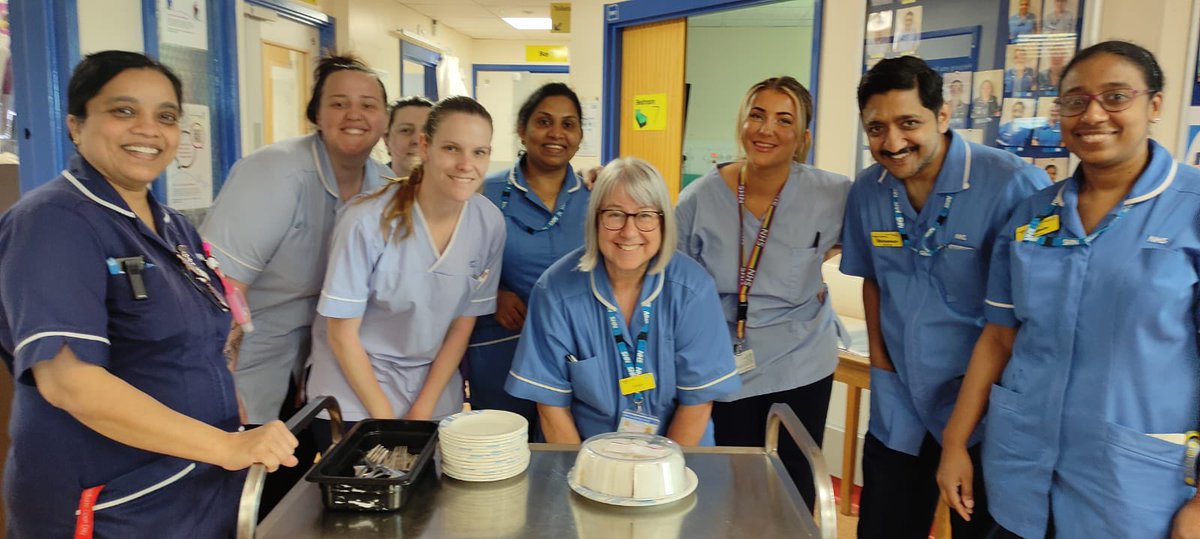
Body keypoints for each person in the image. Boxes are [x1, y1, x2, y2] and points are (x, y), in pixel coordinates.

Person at [0, 50, 298, 537]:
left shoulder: (173, 226)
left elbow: (199, 345)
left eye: (166, 117)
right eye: (123, 111)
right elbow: (69, 382)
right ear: (75, 124)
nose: (148, 130)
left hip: (192, 485)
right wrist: (227, 448)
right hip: (112, 503)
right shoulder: (53, 223)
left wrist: (235, 425)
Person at [936, 40, 1200, 539]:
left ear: (1156, 104)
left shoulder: (1191, 208)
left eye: (1116, 97)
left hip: (1135, 488)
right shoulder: (1034, 214)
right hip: (1022, 470)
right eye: (1076, 101)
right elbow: (997, 337)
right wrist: (954, 443)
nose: (1093, 114)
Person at [841, 56, 1049, 539]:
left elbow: (1029, 317)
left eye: (908, 122)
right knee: (883, 526)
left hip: (985, 410)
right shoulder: (868, 192)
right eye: (876, 128)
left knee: (979, 527)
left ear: (943, 115)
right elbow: (873, 280)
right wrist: (881, 366)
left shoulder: (1013, 186)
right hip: (901, 401)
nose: (892, 143)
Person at [675, 76, 850, 505]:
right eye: (757, 115)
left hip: (800, 361)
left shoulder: (834, 194)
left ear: (802, 138)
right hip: (721, 361)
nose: (766, 129)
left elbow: (868, 237)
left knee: (793, 489)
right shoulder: (697, 199)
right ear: (741, 123)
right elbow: (672, 285)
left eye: (783, 120)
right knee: (733, 488)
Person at [201, 55, 390, 426]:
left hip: (327, 368)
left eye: (368, 105)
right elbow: (222, 288)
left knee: (300, 475)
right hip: (256, 363)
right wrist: (223, 384)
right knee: (253, 478)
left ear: (384, 120)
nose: (355, 114)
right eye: (338, 104)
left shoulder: (383, 186)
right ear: (316, 115)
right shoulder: (274, 172)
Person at [305, 96, 504, 439]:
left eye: (479, 152)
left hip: (431, 383)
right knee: (369, 485)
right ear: (425, 147)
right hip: (354, 385)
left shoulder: (488, 223)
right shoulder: (366, 221)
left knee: (437, 487)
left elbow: (461, 326)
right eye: (452, 149)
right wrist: (388, 423)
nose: (465, 165)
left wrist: (422, 410)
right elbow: (341, 334)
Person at [505, 157, 741, 447]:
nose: (629, 232)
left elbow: (697, 404)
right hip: (583, 452)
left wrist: (658, 475)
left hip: (677, 455)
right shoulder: (555, 292)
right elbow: (552, 407)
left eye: (645, 215)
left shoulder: (693, 290)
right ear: (595, 219)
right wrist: (585, 474)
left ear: (663, 222)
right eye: (615, 215)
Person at [466, 83, 590, 429]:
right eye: (544, 121)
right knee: (504, 454)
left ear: (579, 136)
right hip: (502, 349)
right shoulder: (483, 192)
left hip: (576, 353)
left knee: (568, 457)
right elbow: (455, 267)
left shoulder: (595, 198)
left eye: (568, 124)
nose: (556, 133)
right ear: (522, 130)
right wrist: (493, 295)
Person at [383, 96, 433, 178]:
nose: (417, 140)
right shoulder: (365, 188)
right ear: (386, 139)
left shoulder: (455, 188)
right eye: (406, 130)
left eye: (427, 131)